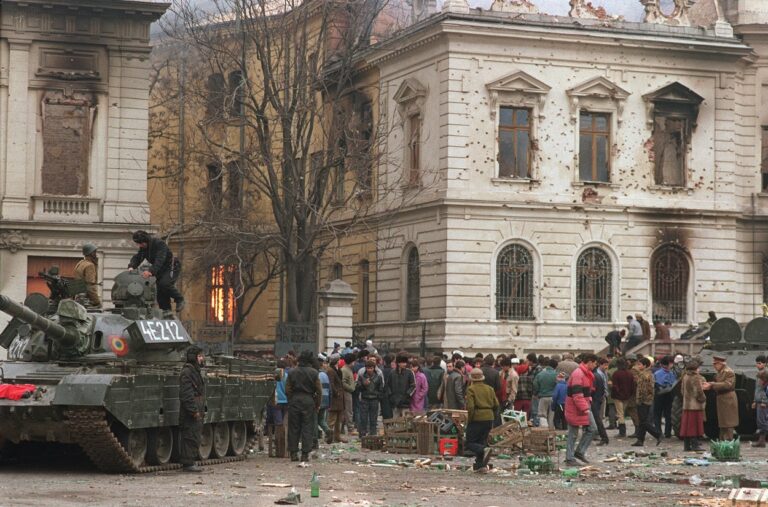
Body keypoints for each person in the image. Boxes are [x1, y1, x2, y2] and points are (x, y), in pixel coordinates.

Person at [128, 230, 184, 312]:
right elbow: (138, 257)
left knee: (164, 284)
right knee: (161, 294)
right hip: (160, 270)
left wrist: (151, 271)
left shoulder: (159, 244)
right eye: (138, 244)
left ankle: (179, 299)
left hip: (171, 266)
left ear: (146, 241)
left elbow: (160, 259)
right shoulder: (144, 249)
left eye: (141, 243)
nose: (140, 245)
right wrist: (132, 266)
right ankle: (166, 312)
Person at [286, 350, 322, 462]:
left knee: (293, 427)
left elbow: (287, 389)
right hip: (308, 400)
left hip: (295, 400)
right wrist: (317, 404)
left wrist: (291, 399)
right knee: (307, 427)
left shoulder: (292, 372)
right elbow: (319, 391)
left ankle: (293, 453)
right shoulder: (314, 373)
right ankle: (305, 454)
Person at [564, 354, 598, 466]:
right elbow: (577, 394)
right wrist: (585, 408)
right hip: (577, 407)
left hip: (581, 406)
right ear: (589, 362)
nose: (595, 365)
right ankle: (570, 458)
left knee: (591, 429)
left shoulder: (584, 373)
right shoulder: (579, 374)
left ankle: (578, 452)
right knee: (573, 433)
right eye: (594, 363)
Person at [464, 368, 498, 473]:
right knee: (481, 441)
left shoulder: (471, 389)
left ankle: (484, 450)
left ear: (472, 379)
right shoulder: (490, 389)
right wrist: (492, 416)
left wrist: (469, 420)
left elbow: (471, 407)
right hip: (489, 417)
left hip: (477, 417)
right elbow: (496, 404)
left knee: (470, 442)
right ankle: (480, 466)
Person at [179, 345, 205, 472]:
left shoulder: (194, 370)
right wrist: (193, 410)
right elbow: (186, 394)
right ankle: (188, 463)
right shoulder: (187, 372)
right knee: (190, 435)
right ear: (194, 358)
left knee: (194, 435)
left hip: (196, 407)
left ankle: (191, 461)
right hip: (190, 411)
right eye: (200, 356)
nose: (202, 359)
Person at [702, 354, 739, 440]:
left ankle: (728, 441)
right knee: (723, 423)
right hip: (722, 398)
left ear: (721, 364)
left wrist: (712, 385)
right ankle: (723, 440)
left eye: (715, 364)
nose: (714, 366)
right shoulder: (720, 372)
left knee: (728, 422)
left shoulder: (728, 372)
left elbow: (728, 385)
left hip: (728, 399)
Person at [631, 357, 663, 447]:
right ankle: (640, 440)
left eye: (639, 364)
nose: (638, 366)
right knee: (642, 421)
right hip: (647, 400)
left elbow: (643, 390)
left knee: (643, 421)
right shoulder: (647, 374)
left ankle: (657, 434)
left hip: (643, 401)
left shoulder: (645, 375)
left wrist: (640, 400)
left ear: (645, 365)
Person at [679, 357, 706, 451]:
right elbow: (698, 391)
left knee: (687, 426)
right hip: (695, 406)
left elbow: (682, 391)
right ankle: (695, 445)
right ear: (695, 369)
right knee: (694, 426)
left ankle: (686, 446)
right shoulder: (696, 377)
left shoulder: (685, 377)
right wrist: (703, 399)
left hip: (686, 405)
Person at [357, 359, 384, 438]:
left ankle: (373, 433)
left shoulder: (378, 377)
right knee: (363, 418)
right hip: (365, 399)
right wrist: (364, 384)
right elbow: (358, 388)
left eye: (371, 368)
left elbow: (381, 388)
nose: (369, 370)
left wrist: (378, 396)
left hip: (374, 399)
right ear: (365, 368)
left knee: (373, 418)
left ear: (374, 368)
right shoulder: (362, 377)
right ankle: (363, 433)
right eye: (368, 368)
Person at [653, 356, 677, 438]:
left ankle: (665, 432)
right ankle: (661, 432)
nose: (672, 364)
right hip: (661, 395)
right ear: (666, 364)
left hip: (667, 395)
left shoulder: (671, 372)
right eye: (671, 363)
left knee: (666, 415)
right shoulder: (659, 373)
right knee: (660, 414)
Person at [610, 358, 635, 438]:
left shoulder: (616, 374)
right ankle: (622, 431)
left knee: (620, 414)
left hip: (618, 396)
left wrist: (614, 394)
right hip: (627, 396)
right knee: (622, 413)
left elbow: (614, 386)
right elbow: (632, 386)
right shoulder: (630, 373)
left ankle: (622, 432)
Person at [325, 355, 346, 443]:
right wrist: (336, 392)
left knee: (338, 419)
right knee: (332, 419)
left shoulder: (337, 370)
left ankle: (337, 436)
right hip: (335, 398)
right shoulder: (330, 371)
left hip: (339, 399)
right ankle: (329, 436)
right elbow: (331, 383)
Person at [533, 358, 558, 428]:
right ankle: (551, 432)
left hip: (543, 397)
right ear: (555, 367)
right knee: (551, 416)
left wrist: (536, 393)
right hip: (553, 398)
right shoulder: (557, 374)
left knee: (542, 415)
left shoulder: (540, 374)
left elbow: (535, 385)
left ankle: (544, 431)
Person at [592, 358, 610, 446]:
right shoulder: (598, 375)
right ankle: (602, 436)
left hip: (596, 399)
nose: (606, 367)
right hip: (598, 398)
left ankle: (603, 437)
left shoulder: (596, 375)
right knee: (597, 418)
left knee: (597, 418)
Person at [316, 355, 332, 448]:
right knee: (321, 420)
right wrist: (329, 402)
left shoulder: (316, 375)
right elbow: (329, 390)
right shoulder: (325, 375)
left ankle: (315, 438)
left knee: (315, 420)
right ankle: (328, 430)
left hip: (319, 400)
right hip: (325, 400)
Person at [753, 356, 768, 447]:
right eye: (757, 363)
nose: (758, 365)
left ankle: (761, 441)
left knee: (762, 421)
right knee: (760, 421)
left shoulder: (765, 373)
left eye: (760, 363)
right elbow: (757, 389)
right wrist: (755, 400)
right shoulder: (760, 373)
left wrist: (764, 401)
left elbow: (766, 389)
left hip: (763, 401)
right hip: (759, 400)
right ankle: (761, 441)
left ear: (765, 363)